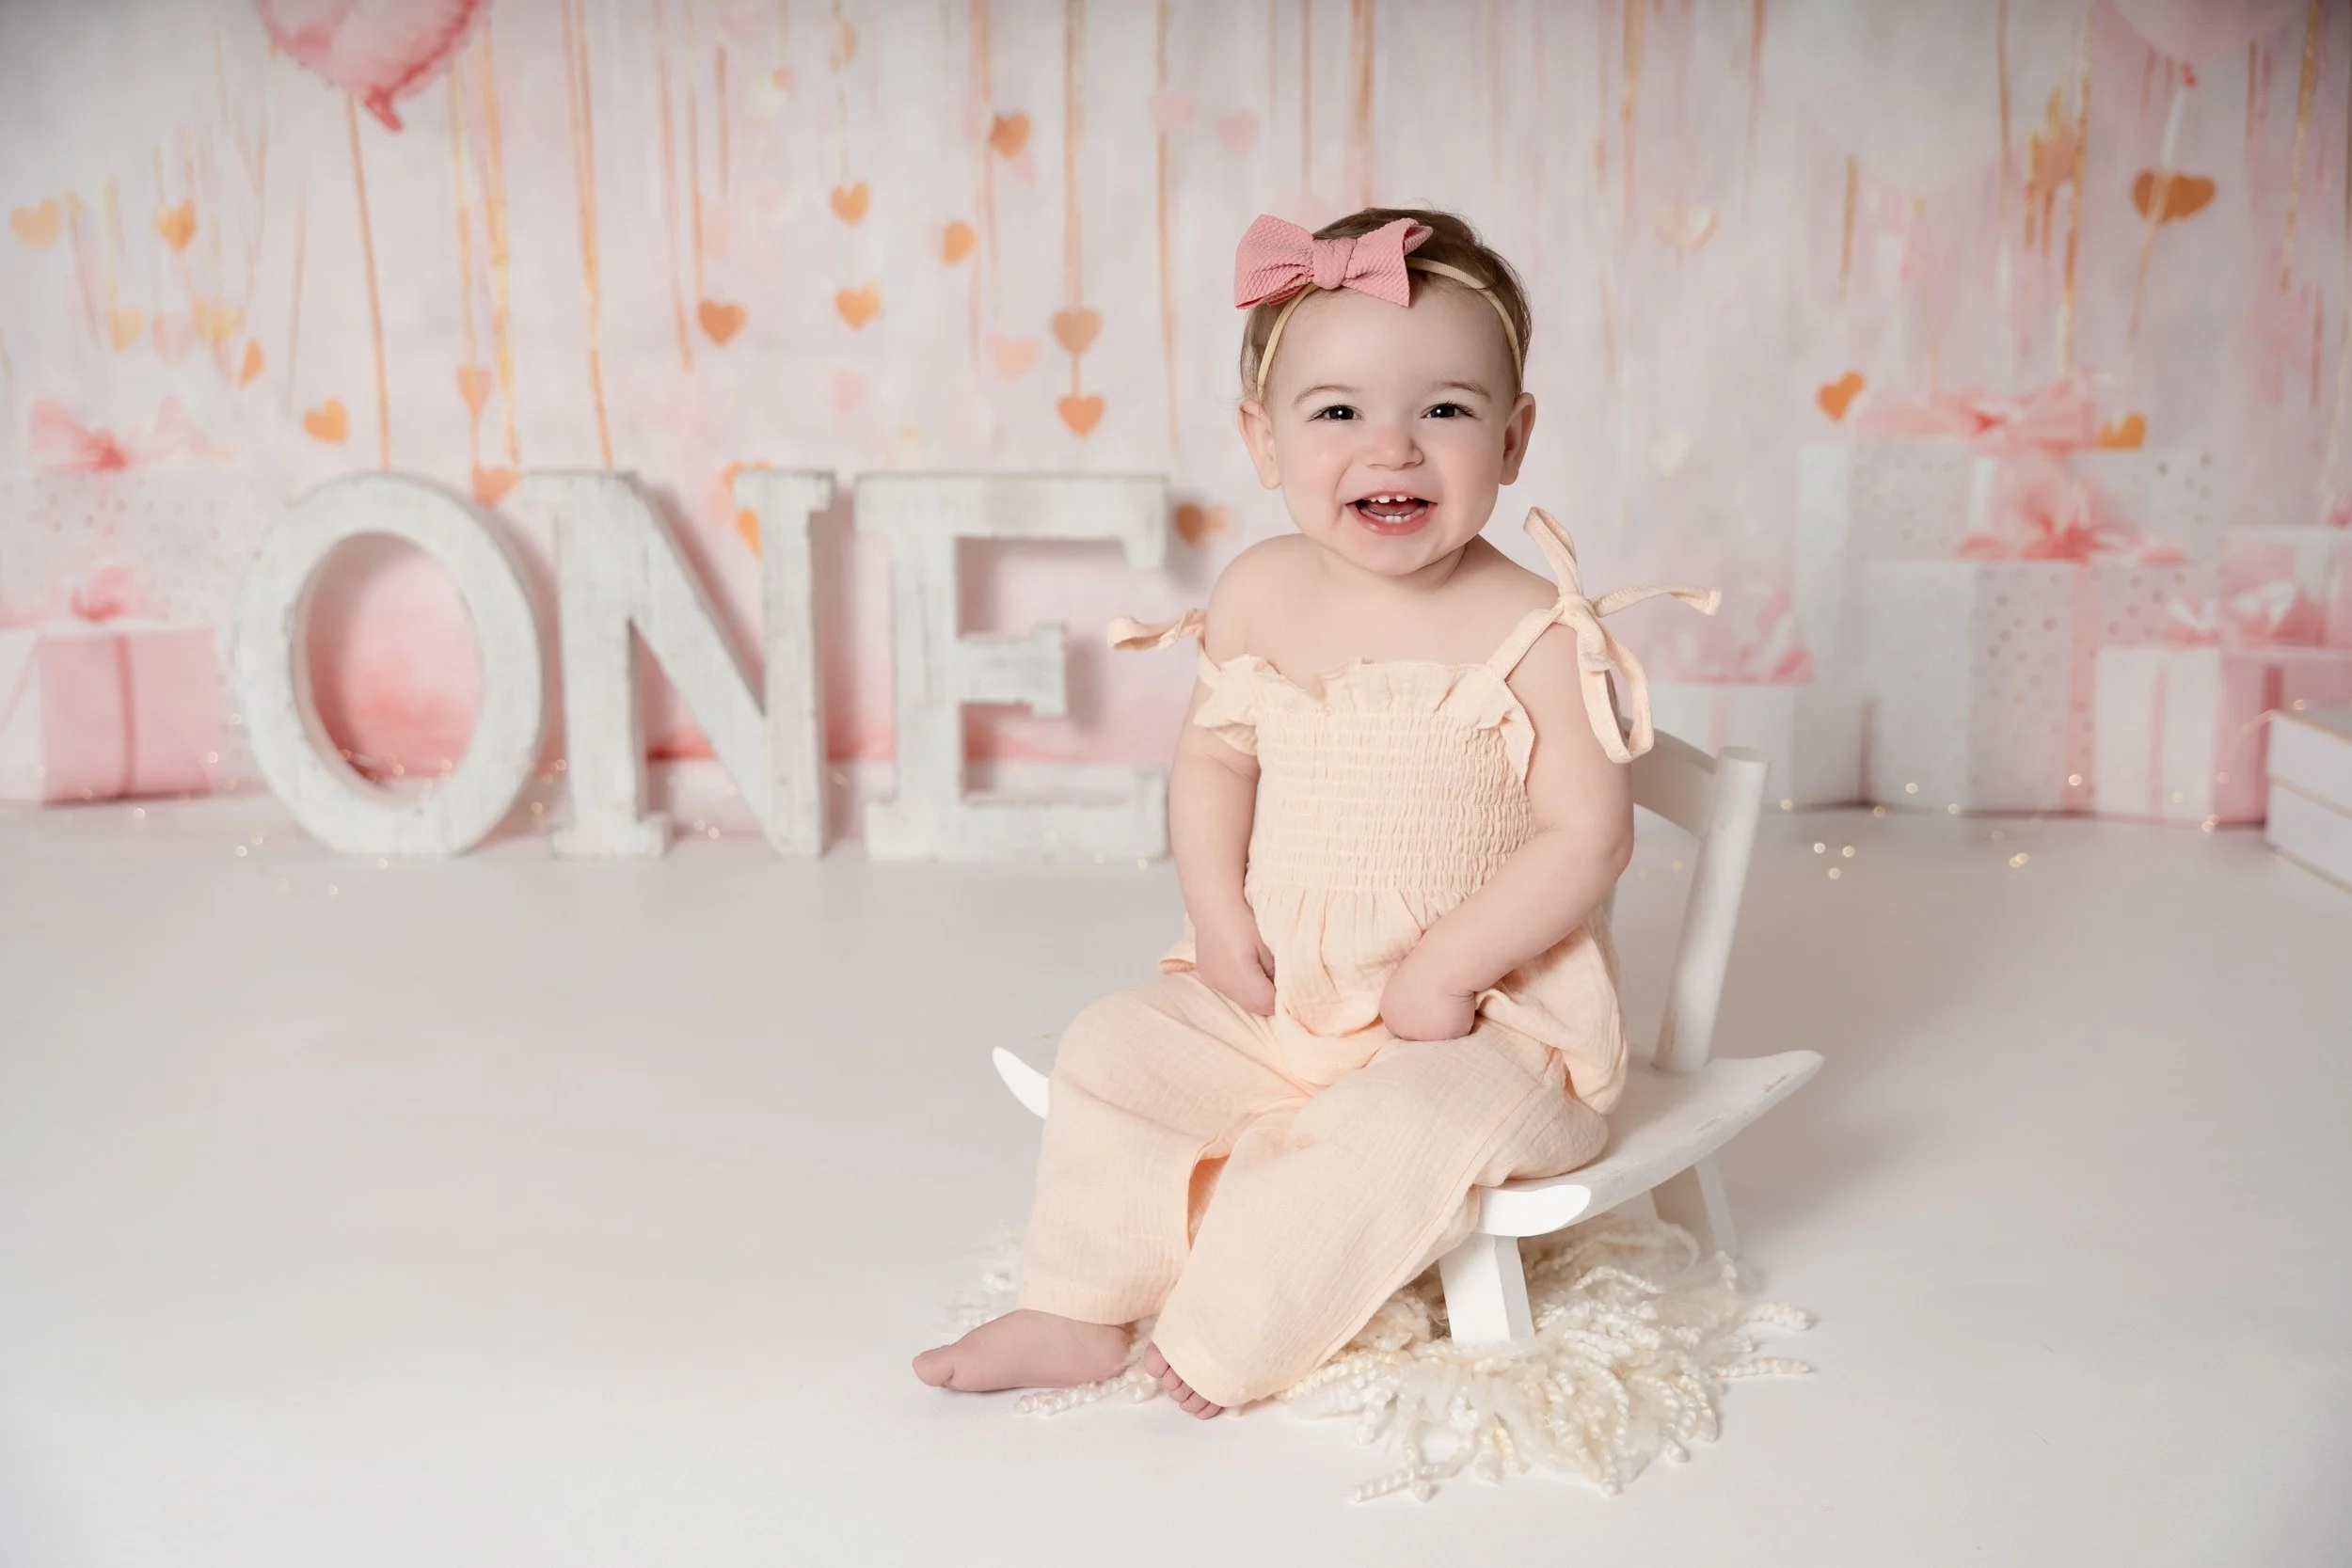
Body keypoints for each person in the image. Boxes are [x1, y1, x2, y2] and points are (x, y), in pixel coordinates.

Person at [915, 208, 1715, 1417]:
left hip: (1481, 1023)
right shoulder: (1256, 592)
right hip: (1286, 986)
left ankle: (1229, 1333)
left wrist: (1448, 967)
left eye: (1443, 409)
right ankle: (1074, 1303)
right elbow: (1214, 761)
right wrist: (1214, 906)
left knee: (1386, 1134)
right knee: (1112, 1047)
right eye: (1337, 412)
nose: (1389, 449)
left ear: (1514, 437)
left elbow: (1589, 834)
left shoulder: (1541, 632)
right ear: (1263, 441)